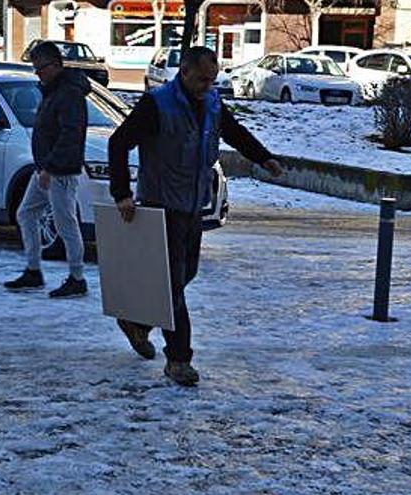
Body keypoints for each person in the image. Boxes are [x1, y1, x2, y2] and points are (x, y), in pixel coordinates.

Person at [108, 46, 283, 386]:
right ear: (184, 73)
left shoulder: (213, 102)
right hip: (161, 203)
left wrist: (264, 158)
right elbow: (118, 143)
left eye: (213, 79)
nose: (209, 85)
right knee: (173, 284)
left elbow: (234, 133)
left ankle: (138, 323)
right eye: (203, 79)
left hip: (193, 204)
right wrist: (122, 194)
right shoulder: (157, 104)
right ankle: (178, 359)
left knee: (187, 273)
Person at [4, 41, 90, 299]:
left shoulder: (68, 93)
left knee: (66, 223)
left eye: (40, 68)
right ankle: (33, 270)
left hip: (58, 171)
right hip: (46, 169)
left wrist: (50, 168)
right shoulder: (55, 91)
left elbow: (70, 135)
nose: (37, 74)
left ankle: (77, 277)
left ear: (54, 65)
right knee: (26, 213)